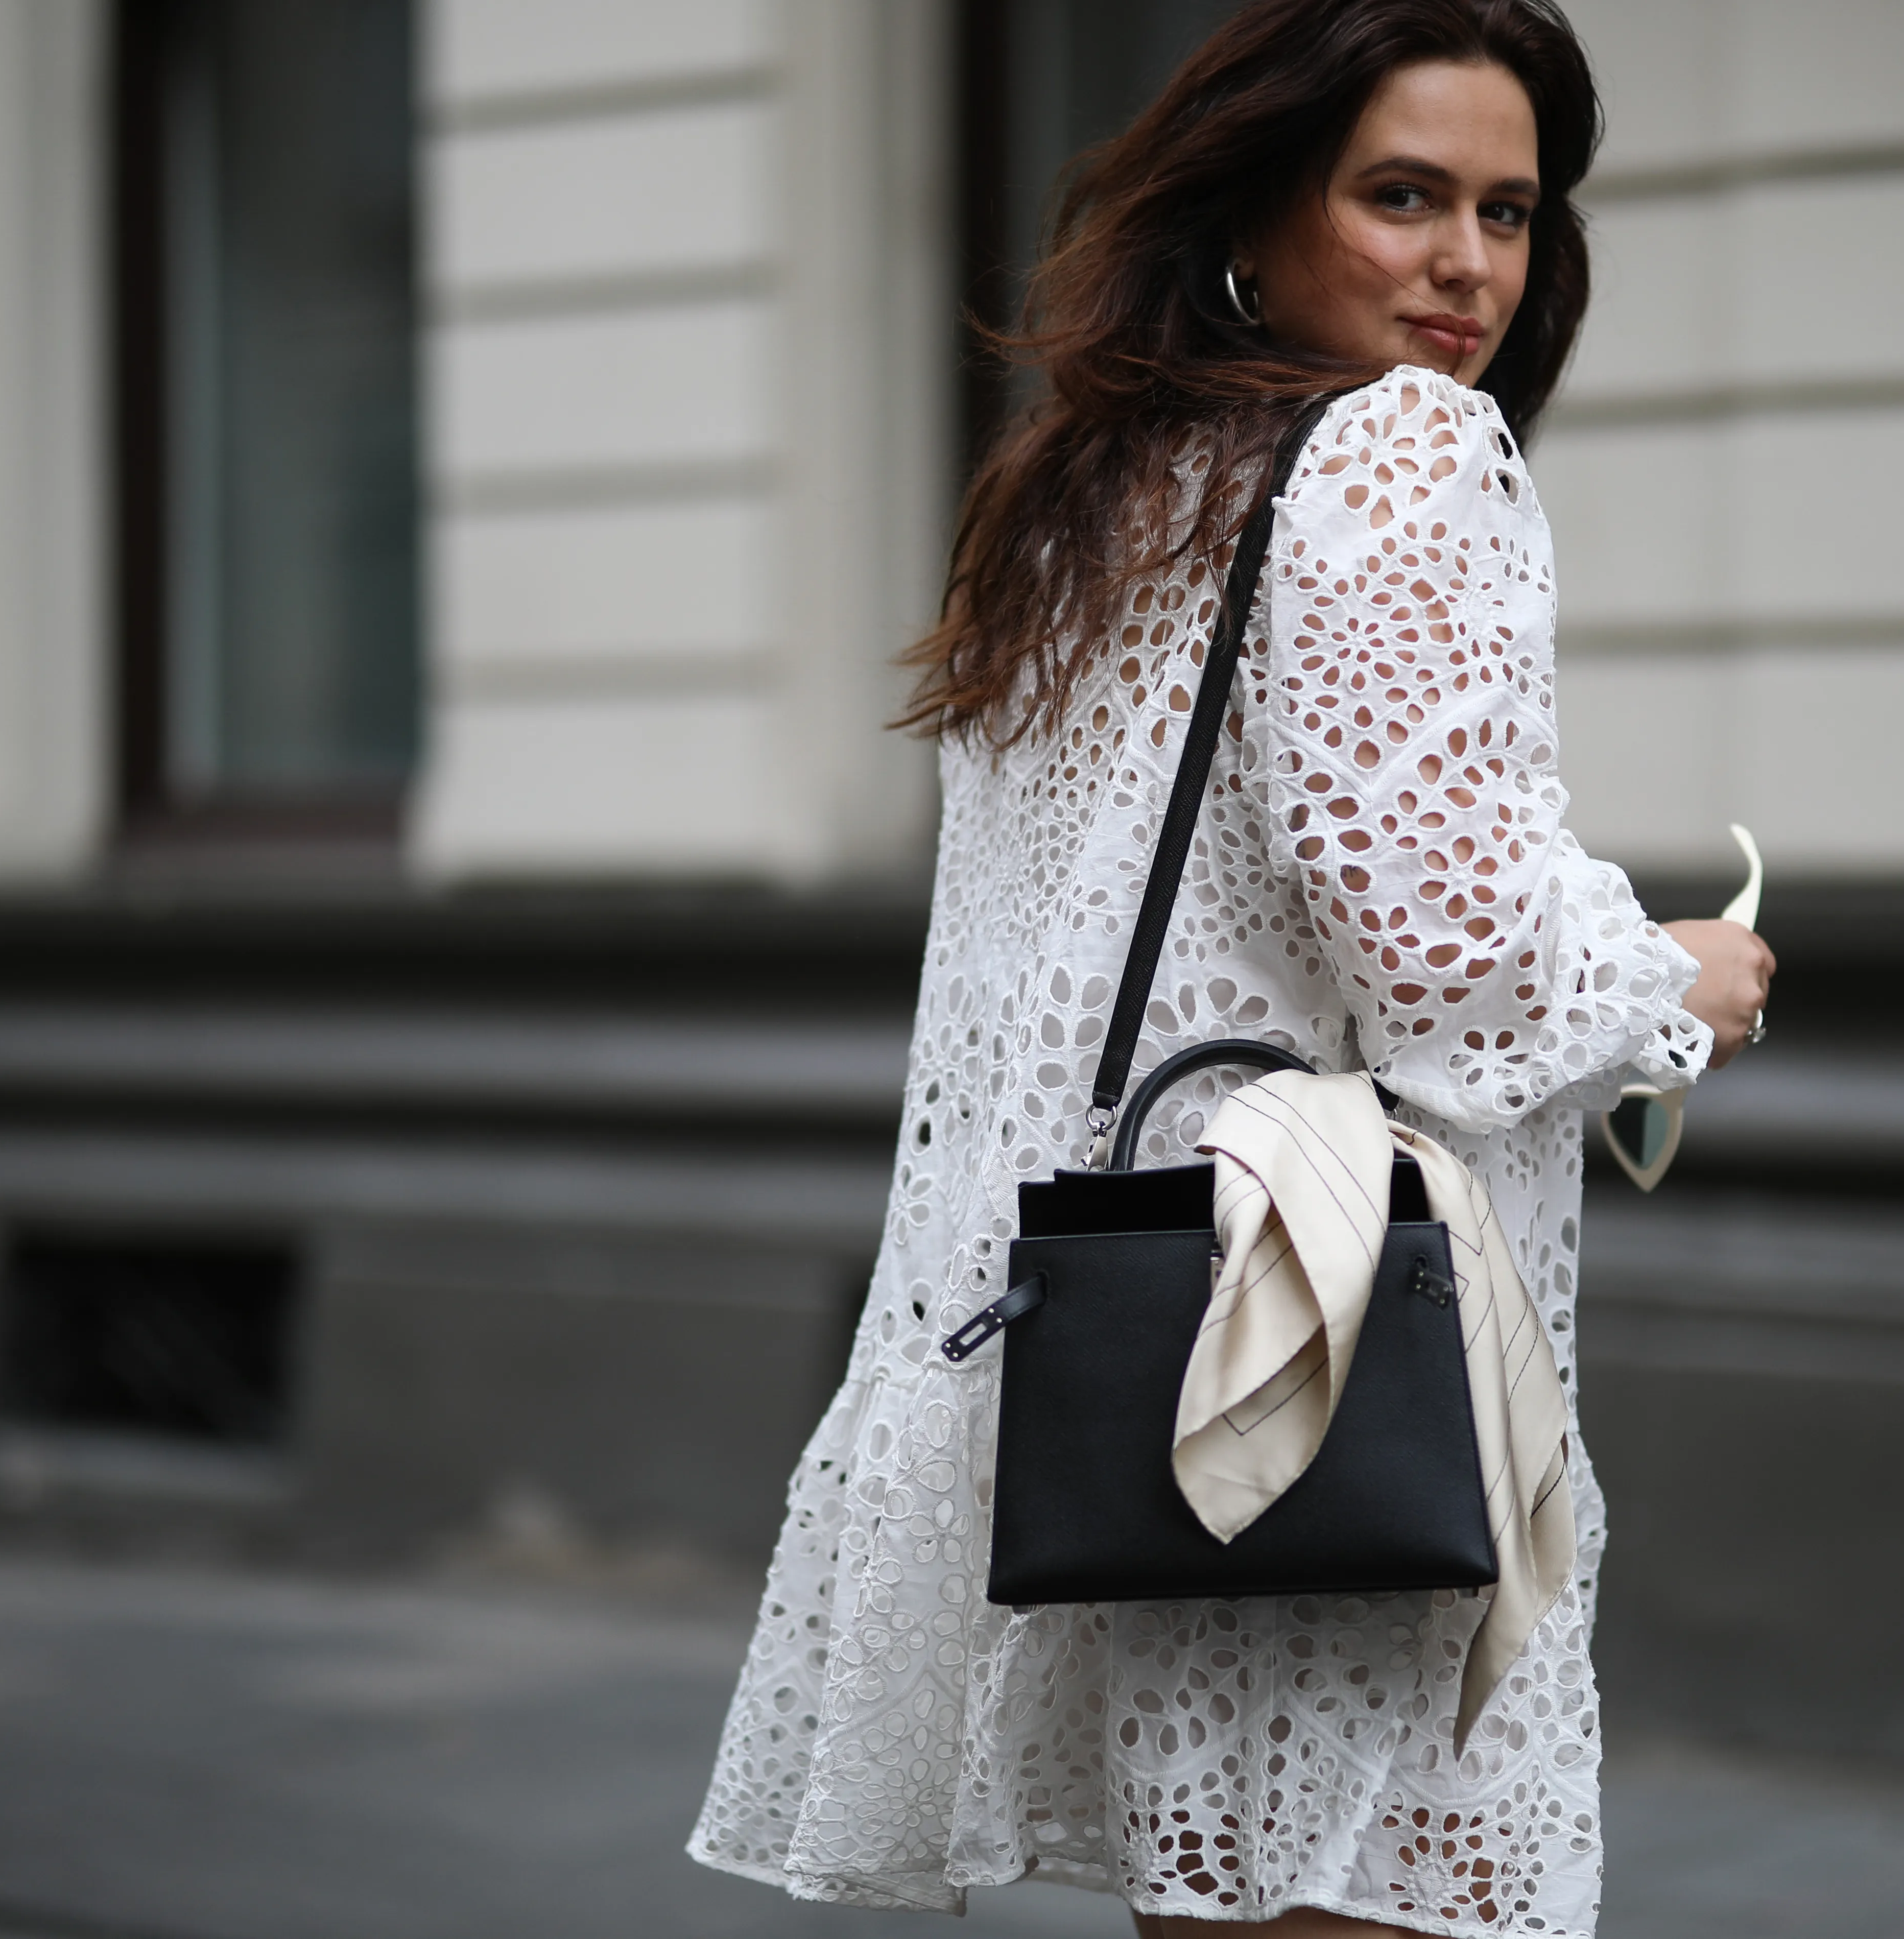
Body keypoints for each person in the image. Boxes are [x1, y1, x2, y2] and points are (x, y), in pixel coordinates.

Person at [689, 2, 1776, 1931]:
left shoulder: (1103, 498)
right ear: (1260, 215)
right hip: (1335, 1353)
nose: (1466, 268)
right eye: (1403, 197)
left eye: (1511, 213)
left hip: (1147, 1348)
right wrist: (1674, 981)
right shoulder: (1401, 456)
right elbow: (1454, 962)